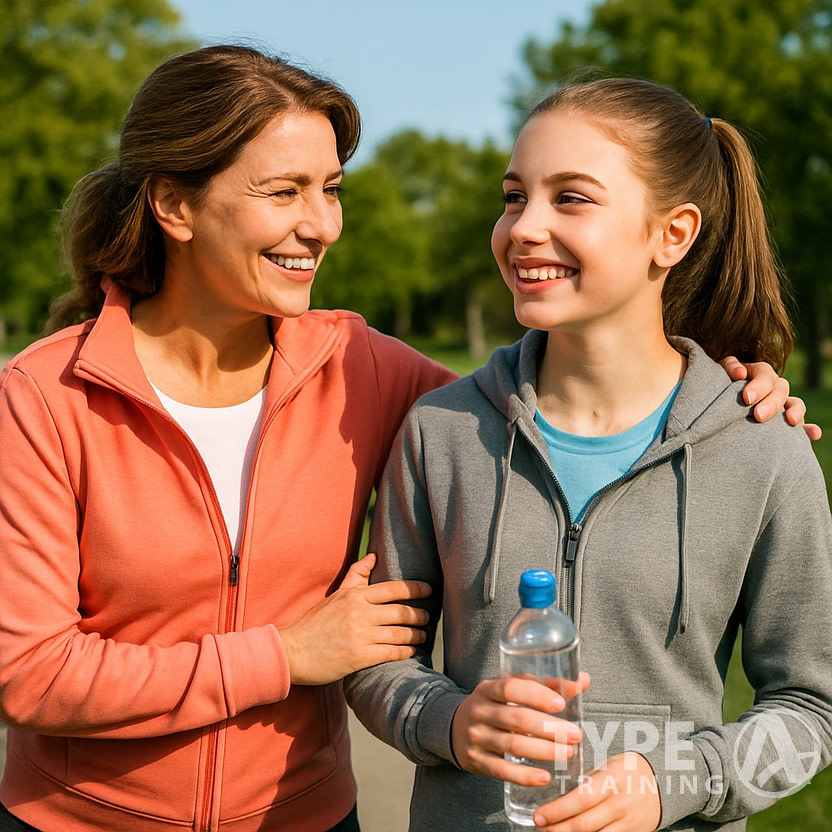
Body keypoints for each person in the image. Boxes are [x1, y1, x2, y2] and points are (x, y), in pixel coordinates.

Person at [0, 46, 810, 832]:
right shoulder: (45, 397)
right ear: (174, 205)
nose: (321, 224)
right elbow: (28, 672)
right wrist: (293, 657)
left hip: (304, 819)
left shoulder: (376, 375)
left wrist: (736, 397)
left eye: (331, 189)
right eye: (285, 190)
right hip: (76, 821)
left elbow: (565, 386)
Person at [345, 77, 832, 832]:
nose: (524, 227)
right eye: (514, 197)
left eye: (570, 198)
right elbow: (376, 663)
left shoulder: (763, 449)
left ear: (672, 234)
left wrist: (673, 782)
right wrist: (450, 722)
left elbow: (813, 710)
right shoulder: (439, 432)